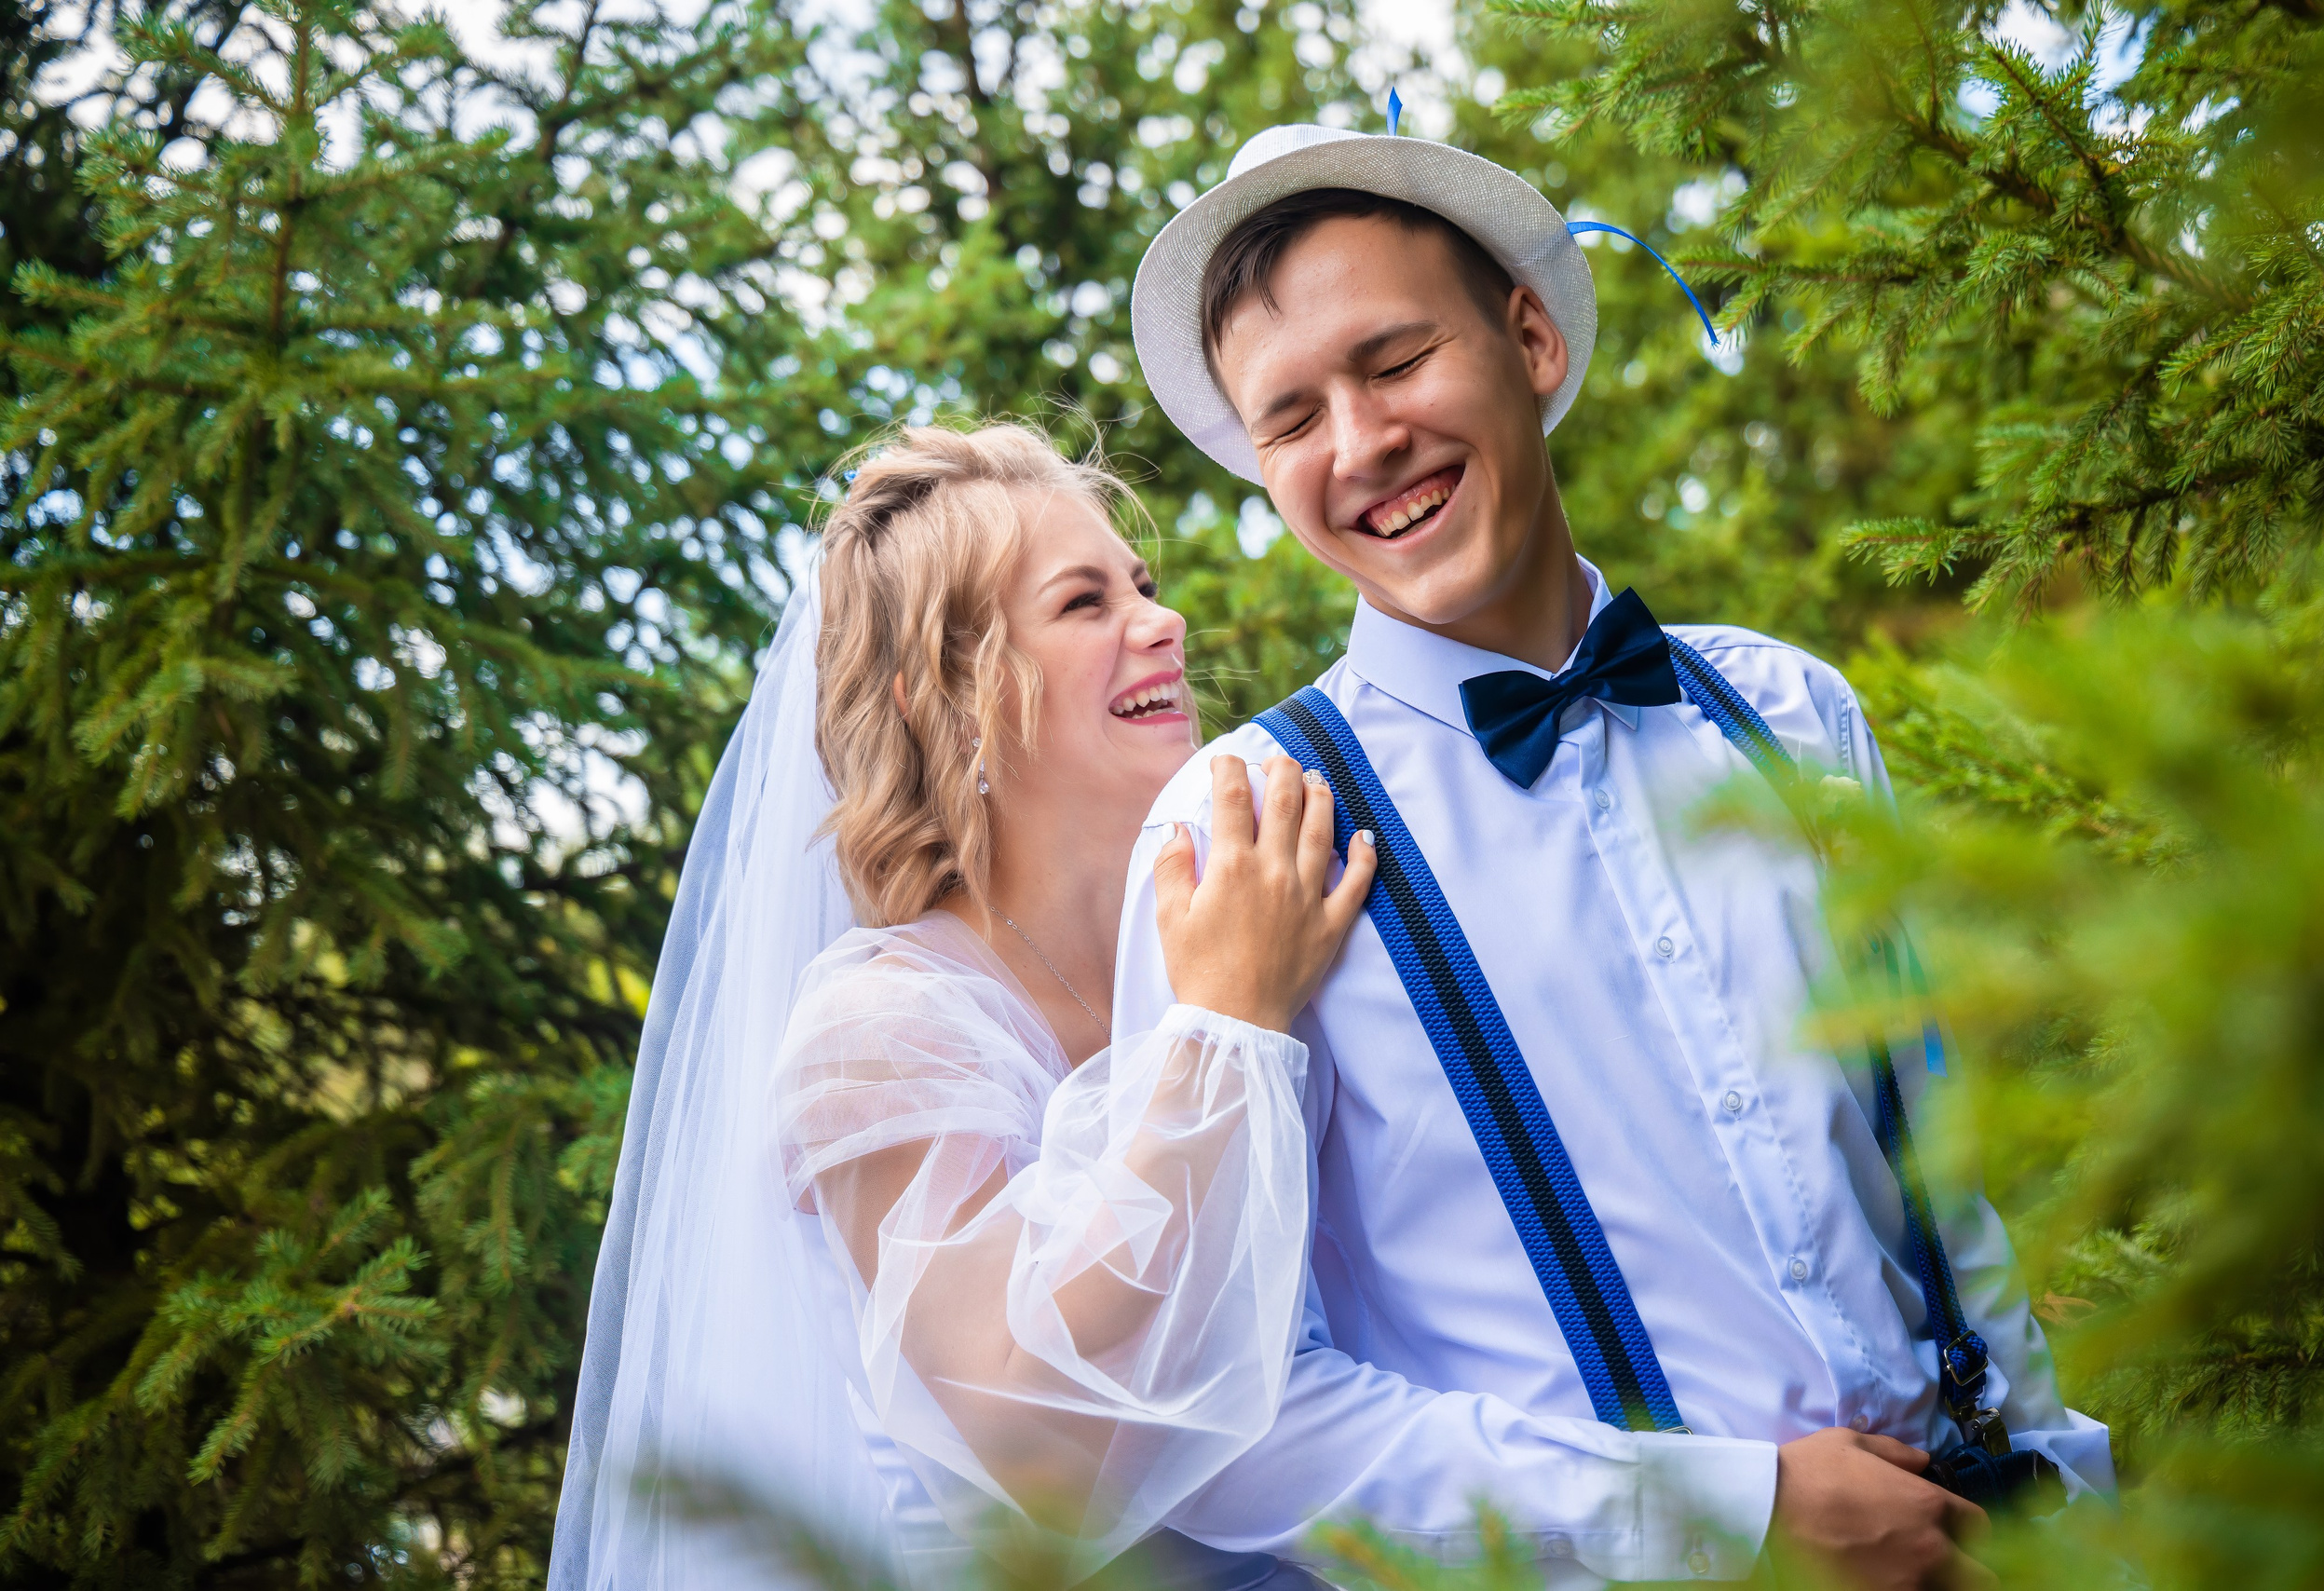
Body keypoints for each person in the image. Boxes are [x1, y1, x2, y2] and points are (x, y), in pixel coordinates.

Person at [1116, 124, 2115, 1589]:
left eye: (1394, 362)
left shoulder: (1787, 712)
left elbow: (1939, 1190)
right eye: (1292, 418)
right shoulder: (1247, 828)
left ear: (1529, 336)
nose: (1361, 444)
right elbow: (1232, 1415)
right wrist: (1731, 1514)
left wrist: (2083, 1513)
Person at [550, 425, 1375, 1591]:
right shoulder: (880, 1031)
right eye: (1084, 603)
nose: (1163, 621)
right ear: (947, 692)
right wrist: (1227, 1025)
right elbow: (1027, 1429)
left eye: (1142, 585)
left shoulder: (1240, 909)